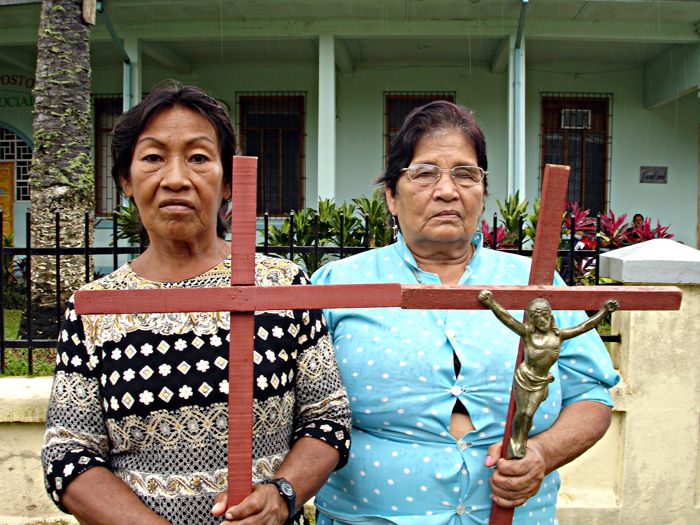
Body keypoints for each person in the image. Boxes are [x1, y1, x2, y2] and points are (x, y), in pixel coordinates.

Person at [41, 81, 351, 525]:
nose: (176, 178)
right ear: (126, 182)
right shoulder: (94, 308)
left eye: (199, 158)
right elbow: (68, 453)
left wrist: (282, 496)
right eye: (152, 158)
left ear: (228, 182)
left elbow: (329, 419)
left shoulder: (281, 287)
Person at [311, 100, 619, 524]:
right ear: (391, 197)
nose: (447, 190)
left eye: (465, 174)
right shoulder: (341, 285)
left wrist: (542, 454)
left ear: (482, 191)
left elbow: (591, 394)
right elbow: (299, 406)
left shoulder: (535, 285)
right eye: (424, 173)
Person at [478, 291, 619, 459]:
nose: (543, 320)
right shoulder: (527, 333)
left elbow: (584, 326)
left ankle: (520, 438)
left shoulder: (558, 335)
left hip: (542, 380)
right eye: (538, 317)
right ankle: (517, 442)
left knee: (529, 414)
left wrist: (605, 311)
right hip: (525, 377)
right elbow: (507, 319)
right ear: (532, 319)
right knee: (522, 413)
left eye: (545, 315)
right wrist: (491, 302)